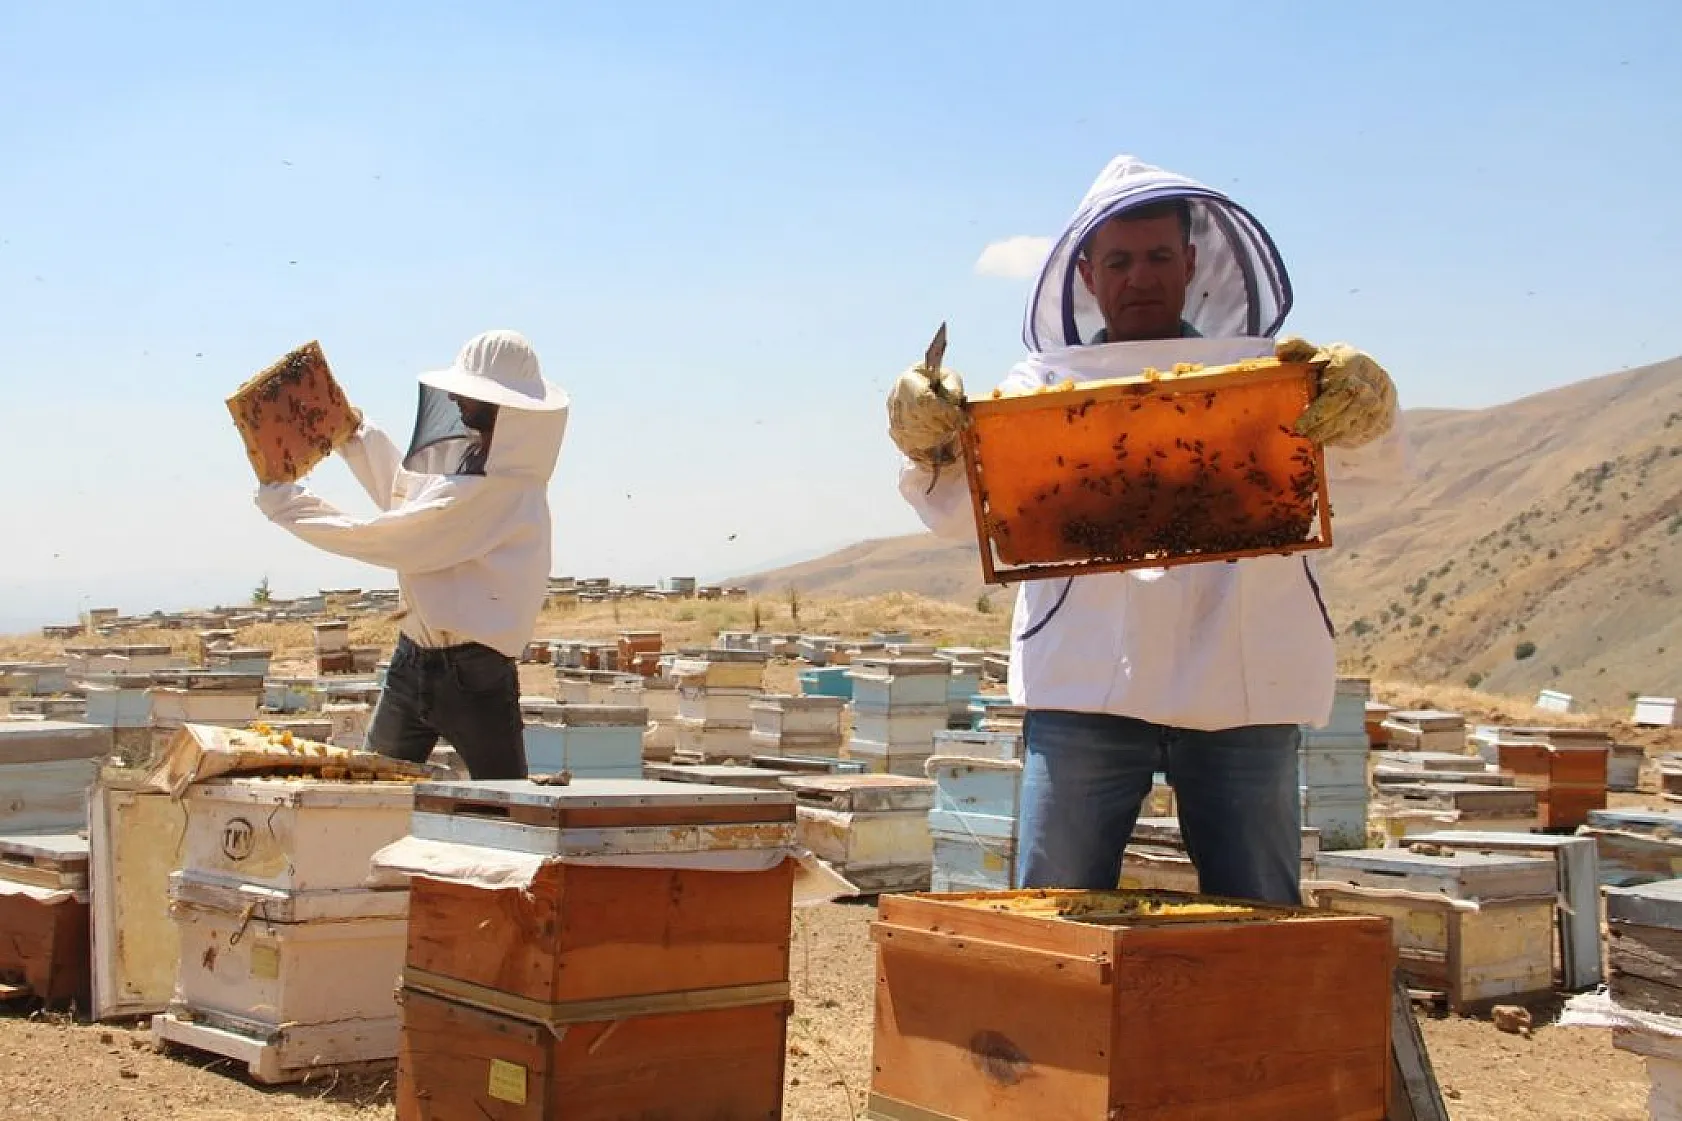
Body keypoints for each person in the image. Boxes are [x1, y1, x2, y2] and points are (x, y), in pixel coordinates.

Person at [886, 155, 1405, 905]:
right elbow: (960, 509)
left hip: (1243, 684)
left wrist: (1373, 413)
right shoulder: (1043, 386)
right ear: (1089, 274)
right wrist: (928, 440)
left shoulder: (1271, 374)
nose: (1140, 276)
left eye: (1159, 255)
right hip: (1087, 683)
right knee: (1056, 915)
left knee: (1260, 921)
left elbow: (1372, 473)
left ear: (1191, 262)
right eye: (1120, 260)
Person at [256, 329, 570, 780]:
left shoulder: (504, 490)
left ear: (509, 408)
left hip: (475, 675)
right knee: (369, 798)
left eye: (473, 395)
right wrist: (354, 435)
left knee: (508, 817)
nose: (460, 401)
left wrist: (288, 505)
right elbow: (404, 492)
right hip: (412, 661)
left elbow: (396, 536)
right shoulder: (466, 463)